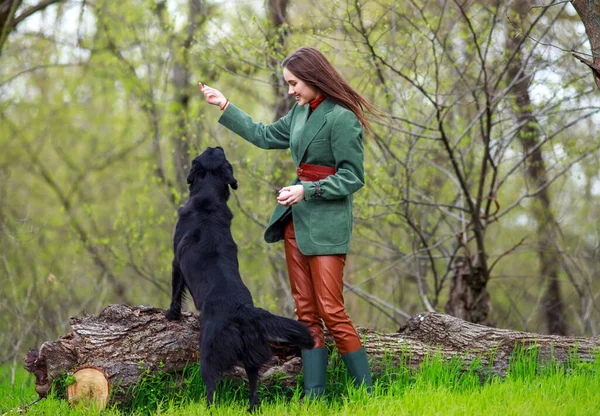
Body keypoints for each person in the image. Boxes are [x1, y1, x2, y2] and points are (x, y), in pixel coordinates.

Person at [199, 46, 381, 399]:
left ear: (313, 78)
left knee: (332, 310)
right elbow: (265, 136)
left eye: (294, 83)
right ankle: (314, 396)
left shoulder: (341, 118)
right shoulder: (299, 114)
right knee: (306, 311)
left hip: (326, 225)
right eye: (287, 84)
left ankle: (367, 394)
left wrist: (307, 190)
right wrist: (225, 105)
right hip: (294, 224)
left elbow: (353, 177)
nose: (290, 91)